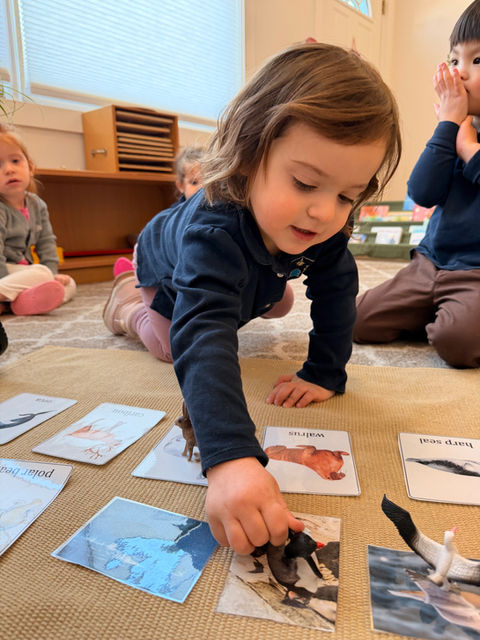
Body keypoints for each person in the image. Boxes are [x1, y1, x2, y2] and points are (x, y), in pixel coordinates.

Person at [103, 42, 401, 553]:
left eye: (347, 196)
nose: (325, 213)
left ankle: (255, 280)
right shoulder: (213, 229)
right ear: (247, 155)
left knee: (275, 300)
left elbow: (338, 291)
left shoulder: (326, 224)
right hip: (163, 263)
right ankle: (127, 303)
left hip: (246, 262)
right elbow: (204, 330)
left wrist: (324, 372)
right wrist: (231, 458)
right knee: (173, 343)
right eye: (304, 183)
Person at [354, 0, 480, 369]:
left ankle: (452, 315)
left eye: (477, 59)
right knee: (357, 320)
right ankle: (442, 310)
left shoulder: (466, 140)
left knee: (456, 342)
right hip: (430, 262)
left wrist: (469, 150)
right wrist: (447, 128)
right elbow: (422, 193)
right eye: (453, 60)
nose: (459, 72)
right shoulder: (455, 129)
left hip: (475, 274)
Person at [0, 123, 76, 315]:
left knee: (69, 284)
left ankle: (16, 303)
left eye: (15, 161)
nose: (9, 169)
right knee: (41, 273)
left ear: (30, 167)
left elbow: (46, 242)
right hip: (4, 272)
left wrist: (53, 274)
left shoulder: (37, 204)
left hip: (23, 273)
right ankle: (7, 295)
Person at [113, 145, 206, 278]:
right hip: (160, 266)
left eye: (208, 181)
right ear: (181, 186)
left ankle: (131, 272)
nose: (202, 188)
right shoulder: (174, 215)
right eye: (194, 182)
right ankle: (133, 272)